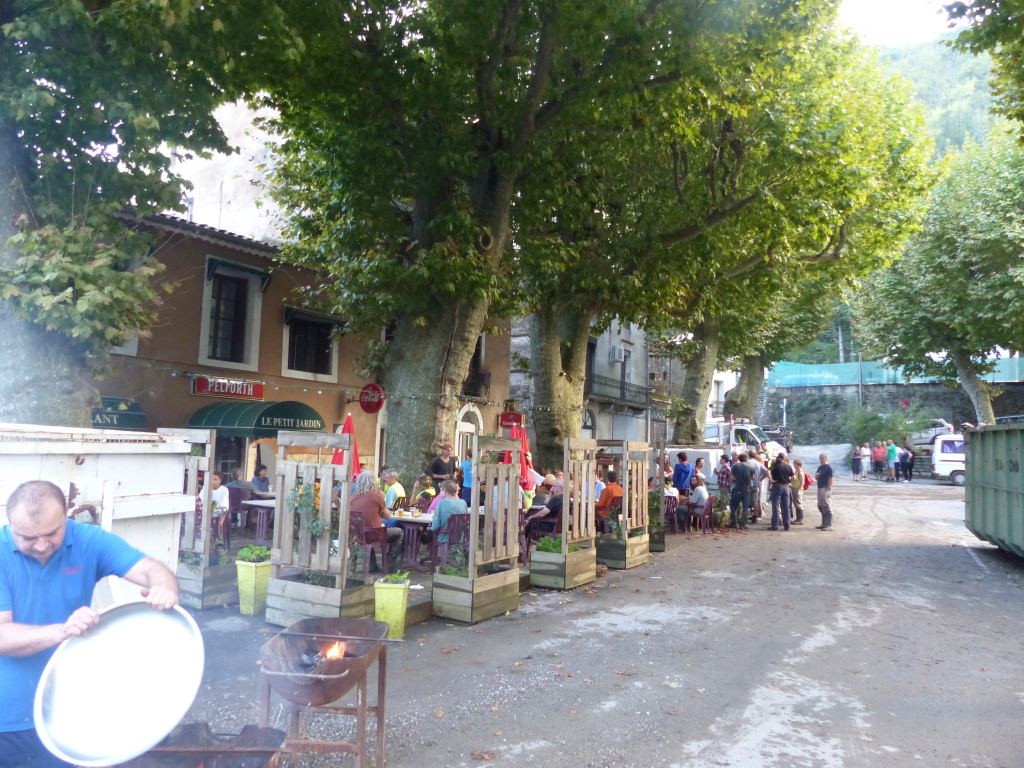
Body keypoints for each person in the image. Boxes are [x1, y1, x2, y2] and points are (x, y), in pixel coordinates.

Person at [0, 480, 179, 768]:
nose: (42, 545)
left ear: (66, 518)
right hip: (5, 717)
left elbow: (150, 569)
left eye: (51, 533)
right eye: (28, 538)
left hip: (68, 708)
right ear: (10, 525)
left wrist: (164, 588)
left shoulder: (89, 540)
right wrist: (63, 630)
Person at [350, 471, 404, 572]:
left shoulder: (352, 498)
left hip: (356, 535)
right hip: (373, 535)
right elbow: (387, 516)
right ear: (372, 483)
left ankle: (372, 565)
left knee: (370, 529)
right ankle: (390, 565)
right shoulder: (375, 496)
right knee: (399, 532)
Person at [768, 453, 795, 531]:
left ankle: (775, 526)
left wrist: (771, 480)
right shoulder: (788, 466)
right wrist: (789, 481)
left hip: (776, 486)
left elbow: (768, 472)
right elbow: (794, 477)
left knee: (776, 506)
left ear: (778, 458)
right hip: (786, 487)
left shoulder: (775, 465)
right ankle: (787, 525)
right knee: (786, 507)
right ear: (784, 459)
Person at [728, 453, 753, 529]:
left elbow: (731, 478)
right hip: (747, 489)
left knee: (734, 506)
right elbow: (753, 477)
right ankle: (744, 523)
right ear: (746, 459)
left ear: (739, 459)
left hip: (738, 488)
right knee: (745, 507)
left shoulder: (735, 466)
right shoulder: (750, 467)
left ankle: (734, 522)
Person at [789, 458, 811, 526]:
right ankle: (798, 519)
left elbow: (802, 482)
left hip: (797, 489)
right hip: (794, 488)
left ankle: (800, 519)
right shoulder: (796, 471)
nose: (794, 465)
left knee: (798, 503)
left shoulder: (800, 472)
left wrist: (798, 489)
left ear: (798, 465)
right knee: (796, 503)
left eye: (795, 464)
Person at [815, 453, 834, 531]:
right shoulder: (820, 467)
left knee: (826, 505)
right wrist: (817, 476)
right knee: (820, 505)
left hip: (825, 488)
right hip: (819, 487)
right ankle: (824, 523)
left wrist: (828, 489)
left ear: (827, 458)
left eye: (822, 458)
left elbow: (831, 479)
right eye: (820, 458)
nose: (821, 460)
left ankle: (829, 525)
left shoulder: (829, 468)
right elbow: (816, 477)